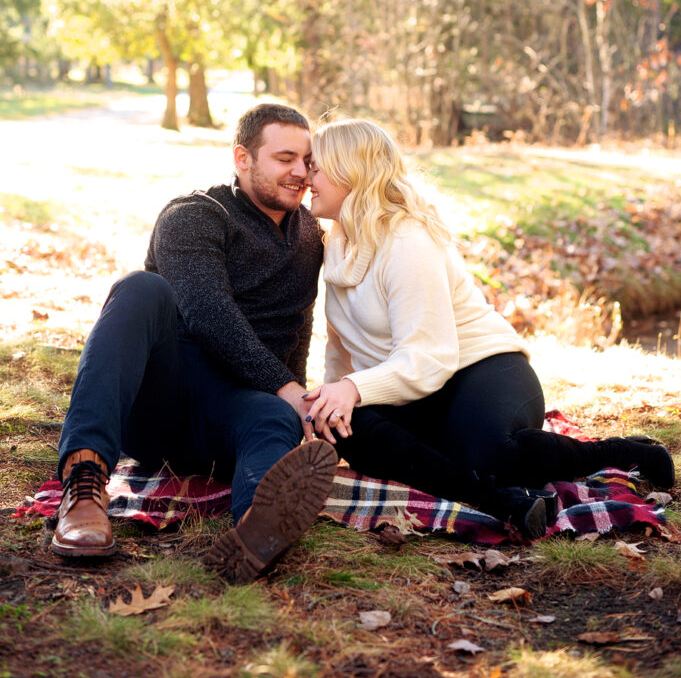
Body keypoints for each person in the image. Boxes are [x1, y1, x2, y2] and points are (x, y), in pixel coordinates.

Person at [302, 119, 674, 537]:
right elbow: (341, 345)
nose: (305, 176)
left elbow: (429, 358)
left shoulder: (406, 241)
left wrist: (352, 388)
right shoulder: (335, 244)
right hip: (415, 391)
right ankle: (504, 502)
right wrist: (331, 404)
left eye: (315, 166)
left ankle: (617, 454)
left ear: (350, 171)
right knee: (347, 428)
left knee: (486, 457)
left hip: (482, 367)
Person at [52, 103, 338, 582]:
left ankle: (256, 530)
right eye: (284, 158)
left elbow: (297, 324)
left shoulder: (309, 233)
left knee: (273, 417)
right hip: (163, 404)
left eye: (306, 160)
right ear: (242, 158)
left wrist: (296, 399)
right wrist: (288, 386)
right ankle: (84, 483)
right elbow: (209, 316)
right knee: (141, 289)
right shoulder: (195, 216)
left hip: (235, 413)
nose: (299, 172)